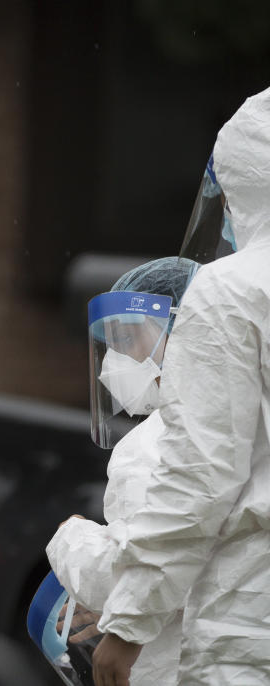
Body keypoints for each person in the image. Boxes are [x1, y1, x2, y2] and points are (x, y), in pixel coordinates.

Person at [89, 87, 270, 685]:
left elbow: (201, 475)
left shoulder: (231, 290)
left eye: (132, 339)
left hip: (251, 623)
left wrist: (125, 623)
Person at [45, 256, 200, 686]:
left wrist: (69, 537)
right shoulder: (242, 420)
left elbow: (138, 567)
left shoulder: (156, 442)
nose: (114, 361)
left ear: (183, 328)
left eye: (130, 338)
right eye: (110, 343)